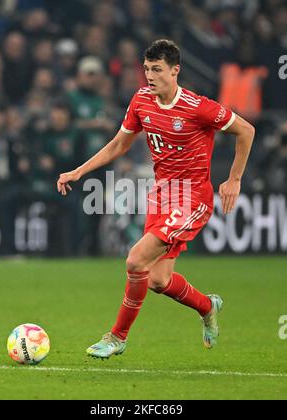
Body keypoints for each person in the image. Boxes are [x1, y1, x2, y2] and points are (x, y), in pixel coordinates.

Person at [57, 39, 255, 359]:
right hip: (162, 195)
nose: (150, 76)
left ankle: (117, 337)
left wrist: (234, 179)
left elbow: (246, 130)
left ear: (175, 71)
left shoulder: (197, 107)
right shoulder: (141, 101)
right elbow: (119, 145)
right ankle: (207, 307)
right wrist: (79, 171)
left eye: (157, 70)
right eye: (147, 69)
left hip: (192, 198)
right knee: (159, 280)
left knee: (135, 260)